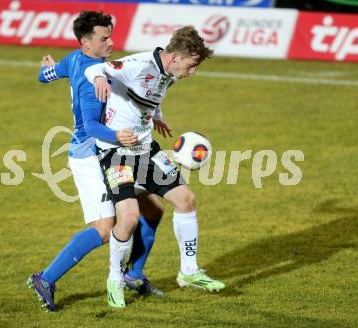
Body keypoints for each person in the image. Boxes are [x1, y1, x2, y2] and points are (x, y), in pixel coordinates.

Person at [27, 11, 166, 312]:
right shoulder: (93, 83)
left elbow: (44, 76)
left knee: (152, 210)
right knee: (106, 227)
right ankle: (45, 279)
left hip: (112, 151)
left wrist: (48, 69)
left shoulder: (74, 60)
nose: (111, 42)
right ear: (85, 42)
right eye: (104, 38)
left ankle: (133, 274)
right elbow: (90, 126)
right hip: (91, 154)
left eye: (110, 35)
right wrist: (120, 136)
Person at [85, 26, 226, 308]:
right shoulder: (139, 65)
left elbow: (150, 97)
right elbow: (95, 70)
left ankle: (188, 272)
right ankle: (115, 279)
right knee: (129, 218)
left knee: (186, 199)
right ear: (175, 57)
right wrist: (100, 77)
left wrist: (157, 117)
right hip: (116, 153)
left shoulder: (168, 74)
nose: (193, 71)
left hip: (146, 150)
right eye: (192, 64)